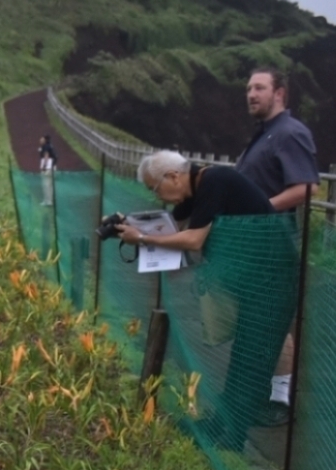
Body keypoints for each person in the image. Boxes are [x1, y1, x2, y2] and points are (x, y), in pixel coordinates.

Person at [118, 150, 298, 451]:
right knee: (243, 354)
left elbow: (192, 239)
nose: (158, 196)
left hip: (273, 279)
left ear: (174, 176)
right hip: (253, 279)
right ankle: (220, 425)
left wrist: (143, 239)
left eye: (155, 188)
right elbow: (169, 225)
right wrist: (123, 224)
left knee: (253, 358)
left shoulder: (215, 180)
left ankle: (233, 438)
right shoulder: (198, 187)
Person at [236, 66, 317, 424]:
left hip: (275, 245)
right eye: (249, 88)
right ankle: (259, 396)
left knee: (273, 321)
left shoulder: (289, 133)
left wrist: (262, 207)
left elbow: (305, 188)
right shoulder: (265, 135)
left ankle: (280, 400)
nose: (251, 94)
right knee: (259, 322)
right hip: (254, 245)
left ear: (280, 93)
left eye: (259, 87)